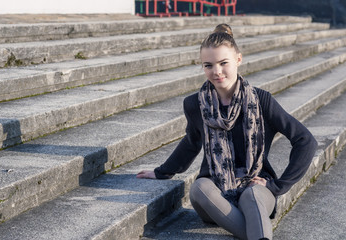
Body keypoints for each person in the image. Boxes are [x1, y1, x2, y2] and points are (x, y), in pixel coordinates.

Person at [136, 23, 317, 240]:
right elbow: (192, 141)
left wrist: (278, 185)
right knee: (199, 188)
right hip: (215, 193)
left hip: (255, 185)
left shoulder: (261, 100)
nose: (216, 71)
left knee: (252, 196)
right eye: (208, 65)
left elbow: (305, 140)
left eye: (223, 63)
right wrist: (162, 171)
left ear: (238, 59)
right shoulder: (195, 104)